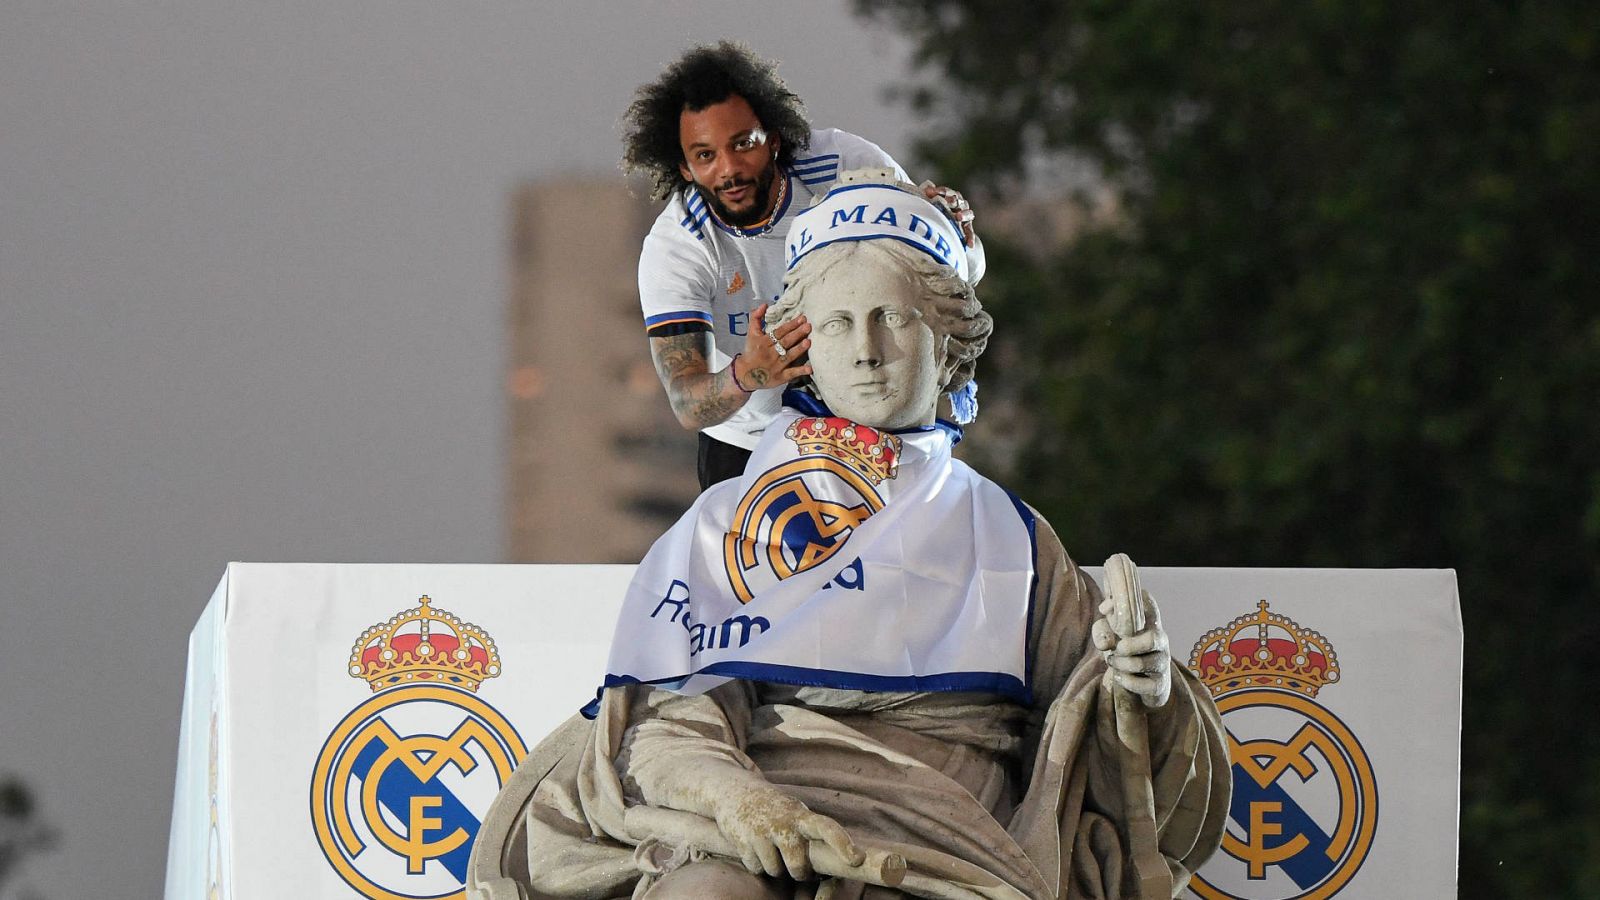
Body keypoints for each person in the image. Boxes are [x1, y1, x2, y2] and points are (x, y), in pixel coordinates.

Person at [468, 176, 1228, 900]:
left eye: (891, 319)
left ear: (949, 343)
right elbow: (667, 719)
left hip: (947, 850)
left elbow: (1097, 734)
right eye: (836, 324)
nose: (865, 350)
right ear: (804, 348)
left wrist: (1145, 690)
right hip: (754, 819)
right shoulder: (725, 522)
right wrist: (737, 802)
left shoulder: (1012, 536)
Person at [624, 42, 983, 489]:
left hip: (867, 420)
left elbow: (952, 278)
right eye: (705, 156)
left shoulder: (846, 166)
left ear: (774, 140)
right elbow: (685, 401)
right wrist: (749, 373)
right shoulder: (678, 248)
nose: (729, 168)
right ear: (685, 169)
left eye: (743, 144)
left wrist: (957, 233)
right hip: (749, 443)